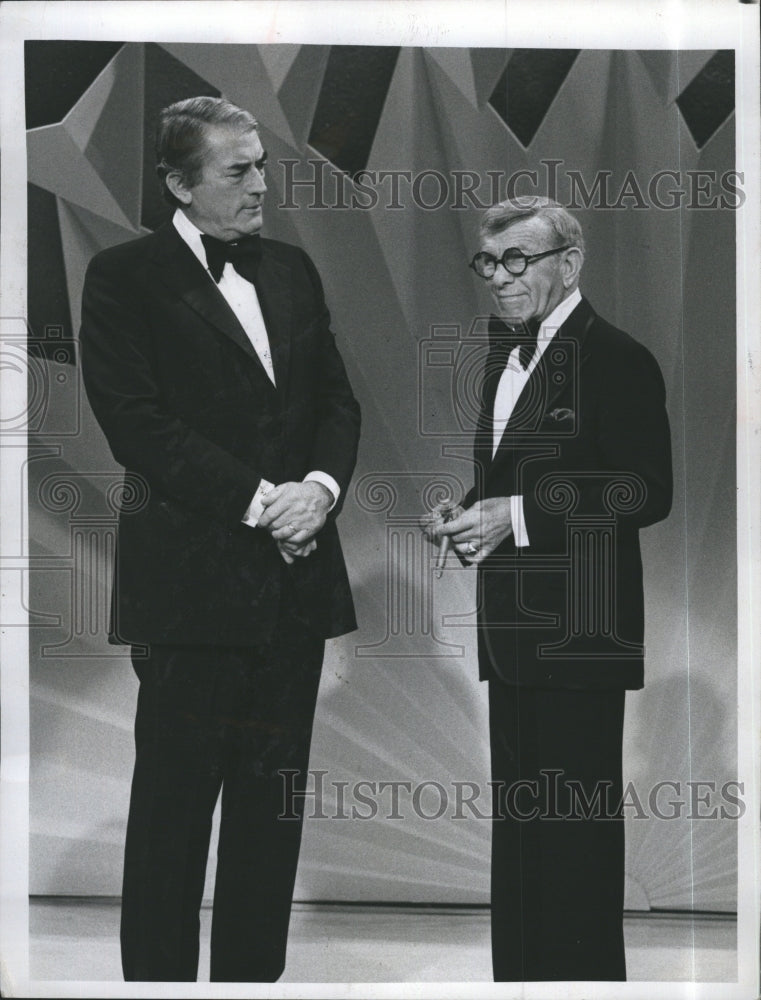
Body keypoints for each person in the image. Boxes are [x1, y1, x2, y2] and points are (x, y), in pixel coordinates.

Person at [79, 96, 361, 983]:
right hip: (191, 590)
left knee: (269, 819)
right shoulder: (126, 276)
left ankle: (250, 985)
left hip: (296, 581)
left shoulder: (292, 269)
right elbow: (136, 423)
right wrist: (259, 501)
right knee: (170, 818)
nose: (259, 185)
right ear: (177, 181)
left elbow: (335, 404)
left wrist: (316, 491)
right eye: (237, 170)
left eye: (262, 165)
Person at [423, 197, 672, 982]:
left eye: (516, 261)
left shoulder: (617, 357)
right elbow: (509, 482)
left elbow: (644, 489)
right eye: (488, 262)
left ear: (569, 264)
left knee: (574, 854)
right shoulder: (503, 356)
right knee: (524, 848)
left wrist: (519, 514)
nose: (498, 278)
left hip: (580, 637)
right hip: (514, 634)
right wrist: (469, 515)